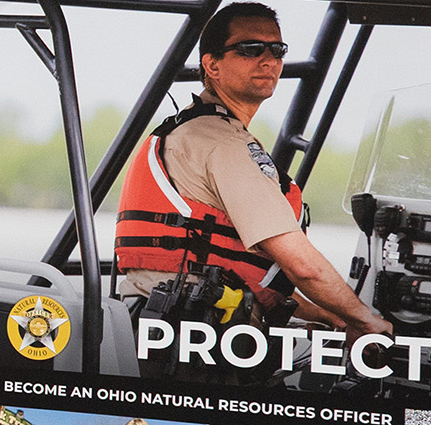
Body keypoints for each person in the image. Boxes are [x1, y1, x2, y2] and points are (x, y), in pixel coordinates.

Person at [112, 2, 390, 385]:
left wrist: (333, 318)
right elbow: (301, 266)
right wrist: (366, 320)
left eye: (277, 50)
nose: (268, 60)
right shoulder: (221, 143)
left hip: (161, 326)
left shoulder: (194, 130)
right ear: (212, 66)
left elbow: (237, 271)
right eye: (250, 49)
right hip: (192, 341)